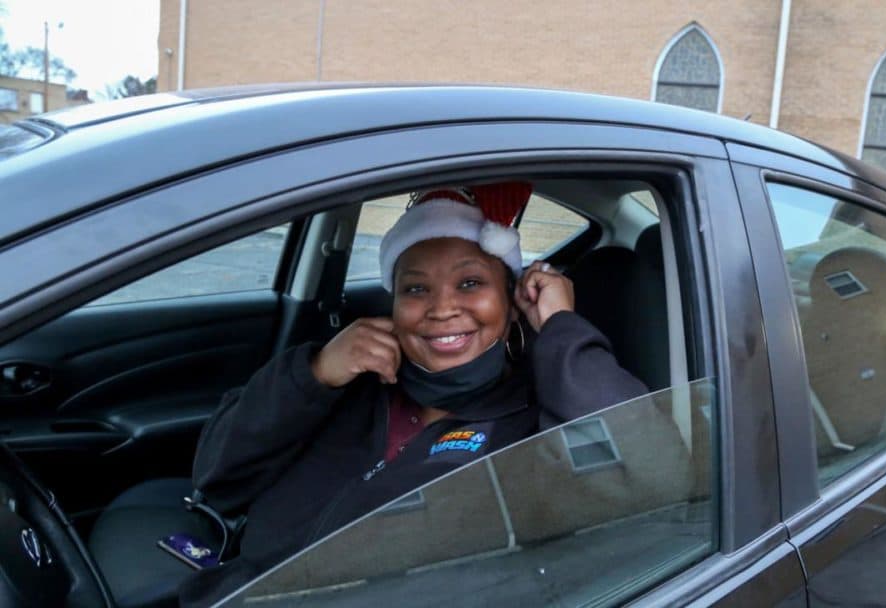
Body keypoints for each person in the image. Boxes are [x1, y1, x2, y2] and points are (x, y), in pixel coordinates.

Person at [177, 182, 649, 606]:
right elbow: (217, 474)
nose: (442, 308)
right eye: (416, 288)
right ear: (394, 306)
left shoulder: (536, 419)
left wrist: (559, 330)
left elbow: (642, 478)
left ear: (510, 305)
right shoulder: (350, 385)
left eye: (470, 283)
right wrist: (316, 373)